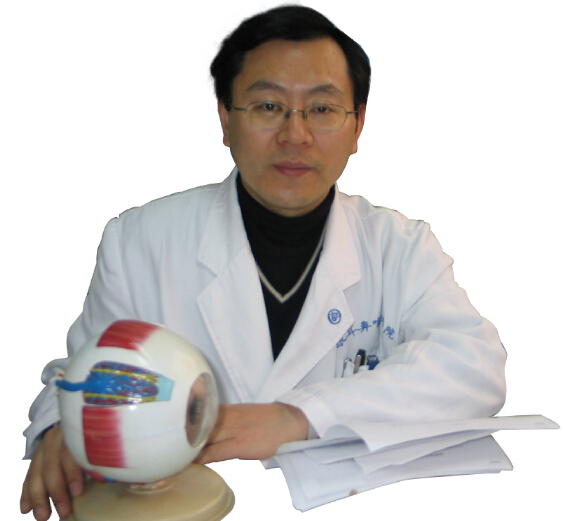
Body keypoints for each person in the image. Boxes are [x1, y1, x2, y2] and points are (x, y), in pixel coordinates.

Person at [20, 5, 506, 521]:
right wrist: (60, 427)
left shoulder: (400, 247)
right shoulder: (140, 241)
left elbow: (474, 366)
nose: (295, 135)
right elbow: (81, 373)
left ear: (357, 126)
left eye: (322, 109)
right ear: (225, 120)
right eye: (268, 105)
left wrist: (301, 415)